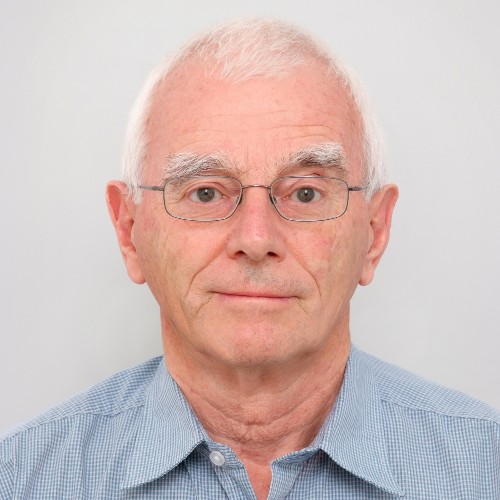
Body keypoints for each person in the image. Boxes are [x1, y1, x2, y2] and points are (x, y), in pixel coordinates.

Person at [1, 17, 499, 500]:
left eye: (305, 194)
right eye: (204, 192)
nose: (257, 238)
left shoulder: (485, 469)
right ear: (129, 231)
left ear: (374, 232)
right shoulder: (19, 479)